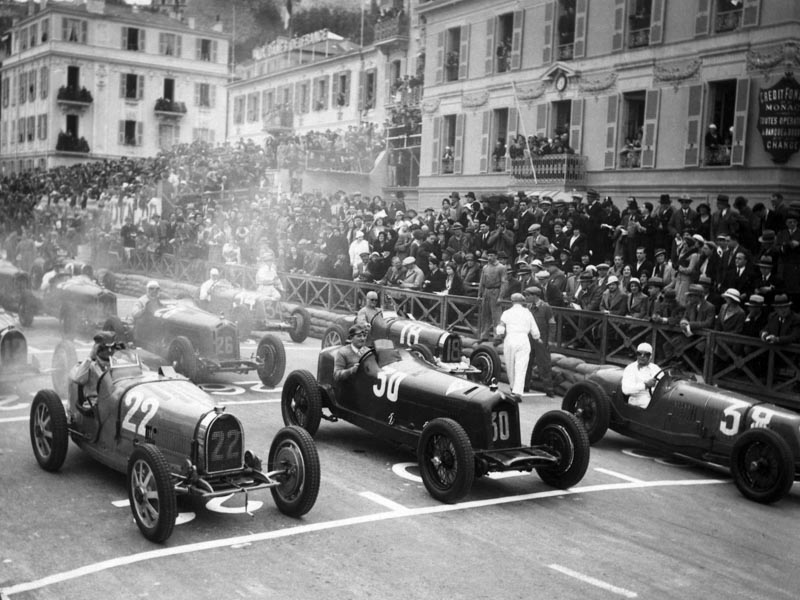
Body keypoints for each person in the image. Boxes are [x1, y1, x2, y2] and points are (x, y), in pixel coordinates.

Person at [497, 293, 540, 400]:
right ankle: (517, 391)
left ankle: (512, 387)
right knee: (521, 366)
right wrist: (537, 337)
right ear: (522, 302)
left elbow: (501, 328)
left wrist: (500, 334)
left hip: (510, 339)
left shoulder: (507, 313)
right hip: (523, 339)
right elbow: (534, 329)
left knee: (510, 364)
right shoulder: (527, 313)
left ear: (512, 302)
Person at [70, 331, 116, 410]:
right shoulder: (89, 365)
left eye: (111, 349)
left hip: (115, 400)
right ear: (98, 349)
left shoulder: (117, 363)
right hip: (94, 404)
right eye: (105, 349)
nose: (109, 352)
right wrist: (90, 356)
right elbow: (78, 378)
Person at [621, 342, 661, 409]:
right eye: (639, 354)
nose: (642, 356)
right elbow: (626, 390)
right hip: (637, 400)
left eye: (646, 354)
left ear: (650, 356)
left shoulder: (655, 368)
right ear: (636, 355)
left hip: (655, 398)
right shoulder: (630, 368)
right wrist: (645, 385)